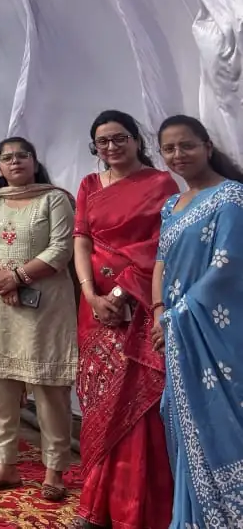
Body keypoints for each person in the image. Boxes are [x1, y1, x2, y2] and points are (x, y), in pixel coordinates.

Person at [71, 110, 177, 529]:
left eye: (120, 138)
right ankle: (93, 505)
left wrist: (119, 293)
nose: (111, 147)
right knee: (100, 402)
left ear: (136, 140)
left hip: (138, 304)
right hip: (94, 309)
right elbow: (81, 240)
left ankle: (131, 508)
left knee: (136, 404)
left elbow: (161, 245)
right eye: (103, 141)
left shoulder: (160, 183)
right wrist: (90, 294)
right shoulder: (89, 184)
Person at [0, 137, 77, 502]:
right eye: (7, 158)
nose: (15, 162)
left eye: (22, 156)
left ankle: (54, 471)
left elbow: (62, 249)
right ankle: (5, 466)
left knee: (49, 390)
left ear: (34, 161)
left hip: (45, 305)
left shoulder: (54, 199)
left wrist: (17, 277)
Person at [151, 115, 243, 529]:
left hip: (217, 334)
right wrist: (159, 312)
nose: (178, 155)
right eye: (169, 149)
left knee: (222, 420)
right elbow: (161, 263)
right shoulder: (172, 205)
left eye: (186, 145)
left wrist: (177, 316)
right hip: (178, 331)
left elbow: (228, 266)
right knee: (183, 420)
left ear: (207, 146)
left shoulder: (231, 197)